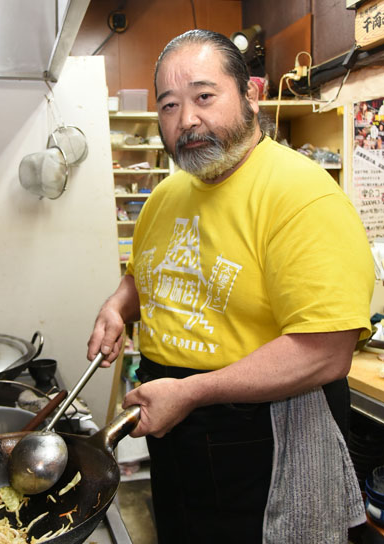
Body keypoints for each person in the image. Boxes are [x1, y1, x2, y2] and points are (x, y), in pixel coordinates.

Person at [87, 29, 374, 543]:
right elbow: (145, 275)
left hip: (263, 431)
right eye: (169, 105)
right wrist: (118, 305)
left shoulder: (302, 195)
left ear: (251, 95)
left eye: (204, 96)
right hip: (173, 422)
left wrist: (192, 392)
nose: (186, 120)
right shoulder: (165, 196)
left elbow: (326, 351)